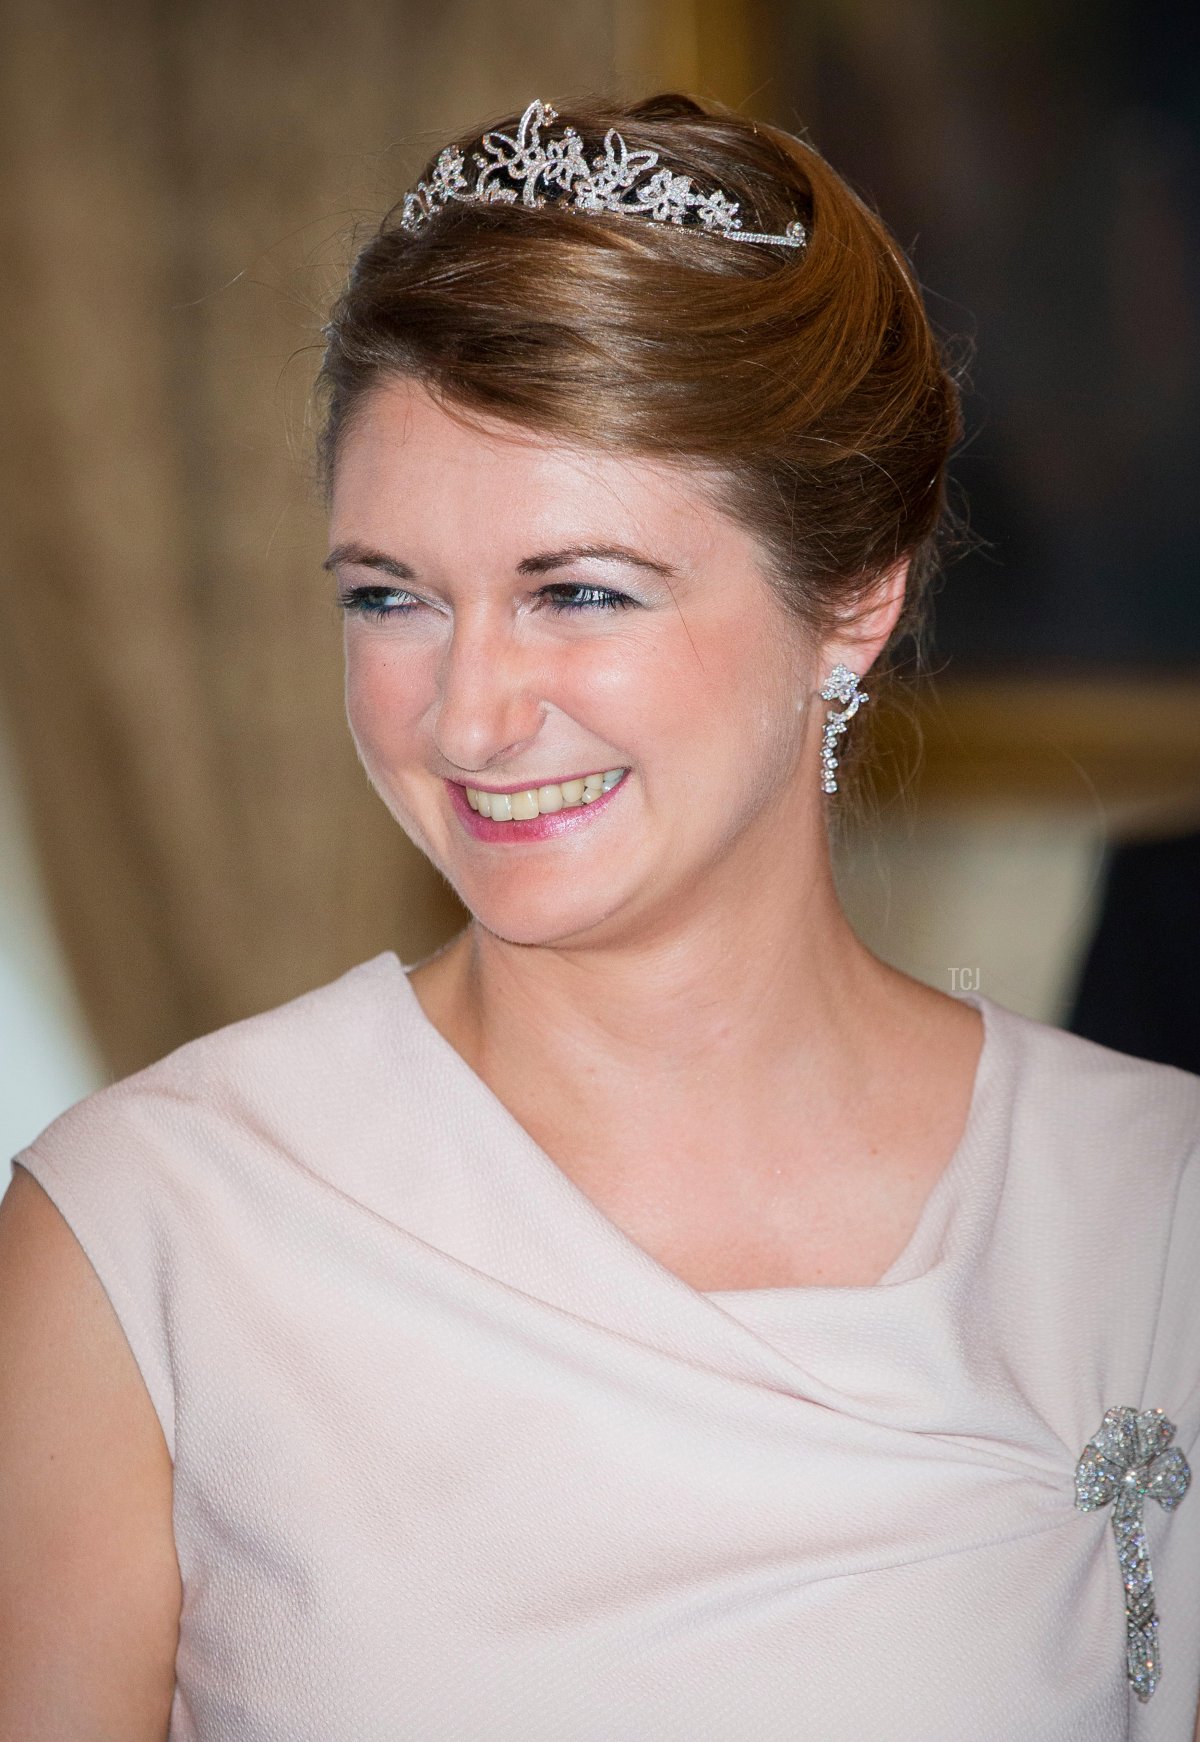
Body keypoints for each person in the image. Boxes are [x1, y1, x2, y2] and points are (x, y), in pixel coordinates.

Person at [1, 93, 1197, 1742]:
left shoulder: (1150, 1207)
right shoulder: (146, 1237)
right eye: (391, 597)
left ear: (854, 595)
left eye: (577, 591)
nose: (469, 714)